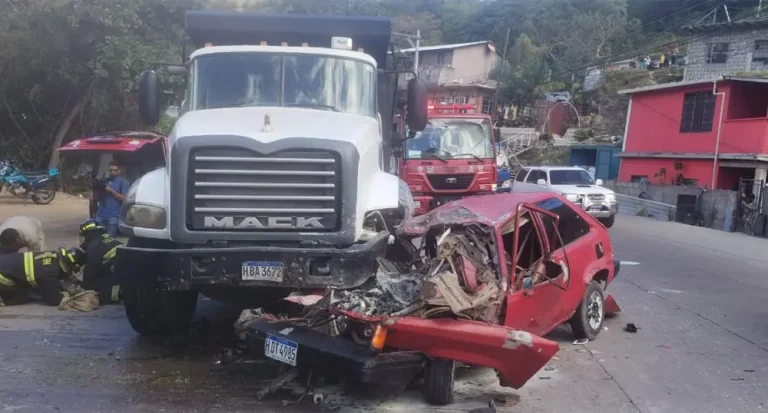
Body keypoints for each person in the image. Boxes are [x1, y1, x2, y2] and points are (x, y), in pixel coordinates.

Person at [0, 247, 86, 306]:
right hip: (2, 275)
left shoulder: (51, 256)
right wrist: (69, 293)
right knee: (22, 297)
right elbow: (53, 300)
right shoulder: (50, 272)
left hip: (4, 264)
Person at [78, 219, 122, 304]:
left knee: (95, 286)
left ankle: (115, 294)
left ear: (86, 234)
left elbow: (90, 273)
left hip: (120, 276)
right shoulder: (106, 238)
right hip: (128, 271)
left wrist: (82, 288)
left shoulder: (93, 247)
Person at [95, 162, 129, 236]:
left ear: (119, 171)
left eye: (115, 170)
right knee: (97, 239)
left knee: (110, 240)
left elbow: (124, 199)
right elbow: (96, 198)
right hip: (100, 215)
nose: (112, 172)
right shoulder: (104, 181)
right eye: (110, 170)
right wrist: (97, 189)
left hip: (113, 217)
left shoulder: (123, 182)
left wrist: (112, 191)